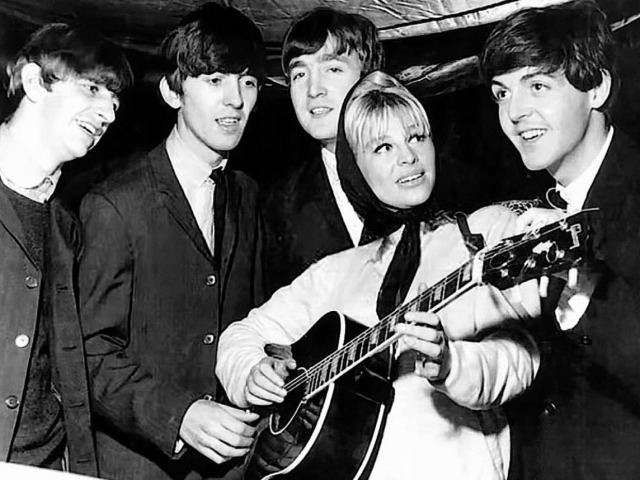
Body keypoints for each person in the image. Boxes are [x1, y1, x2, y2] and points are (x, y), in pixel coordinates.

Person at [217, 71, 541, 480]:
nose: (408, 157)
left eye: (417, 138)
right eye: (383, 146)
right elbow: (237, 339)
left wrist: (451, 364)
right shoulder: (336, 271)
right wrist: (252, 373)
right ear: (354, 167)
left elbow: (520, 358)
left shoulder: (482, 234)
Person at [77, 4, 265, 479]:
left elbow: (252, 324)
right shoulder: (115, 204)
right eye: (215, 80)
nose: (235, 101)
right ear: (172, 91)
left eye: (247, 82)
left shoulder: (247, 194)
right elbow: (89, 354)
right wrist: (179, 414)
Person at [480, 1, 640, 479]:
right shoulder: (539, 210)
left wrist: (579, 298)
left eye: (537, 86)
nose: (514, 112)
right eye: (501, 93)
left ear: (597, 87)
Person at [0, 23, 132, 475]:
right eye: (93, 88)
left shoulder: (64, 223)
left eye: (114, 102)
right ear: (35, 82)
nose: (108, 114)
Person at [262, 7, 385, 295]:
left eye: (333, 69)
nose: (313, 89)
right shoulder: (275, 206)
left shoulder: (427, 172)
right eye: (299, 74)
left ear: (372, 79)